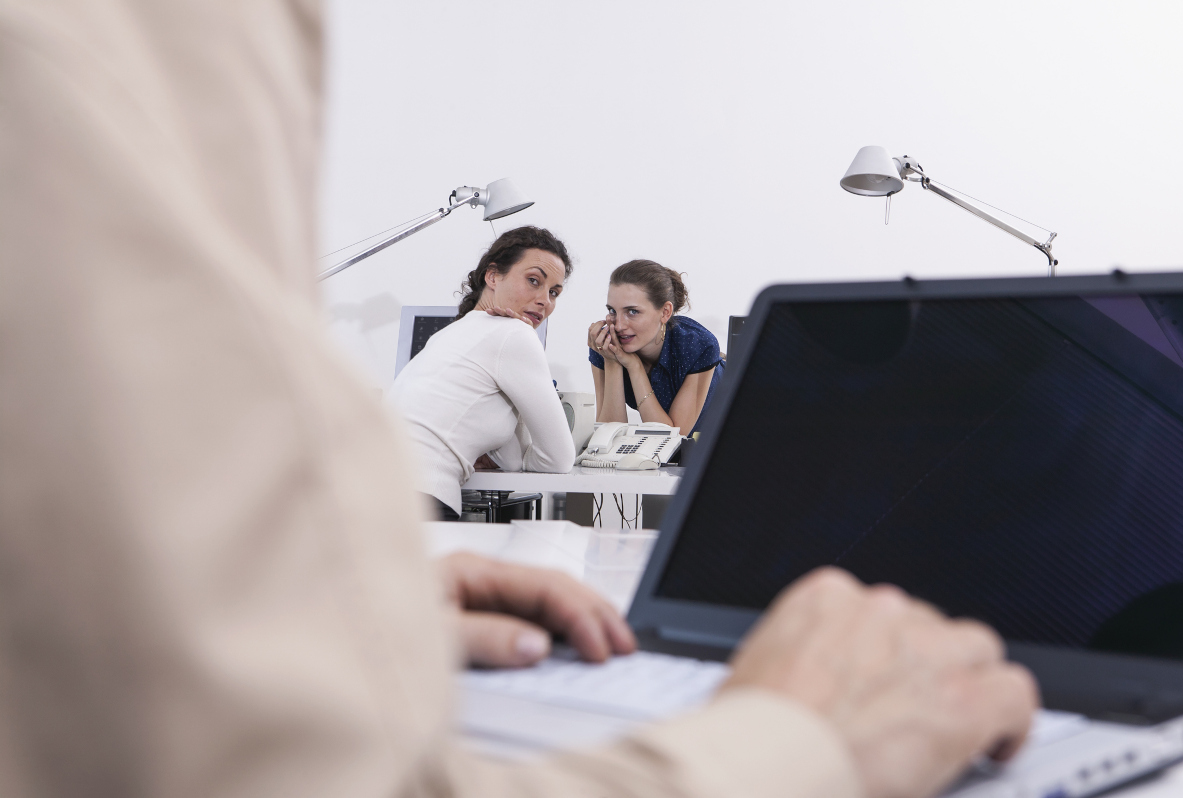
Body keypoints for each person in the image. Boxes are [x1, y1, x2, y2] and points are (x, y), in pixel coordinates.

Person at [0, 2, 1038, 798]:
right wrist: (790, 745)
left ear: (666, 312)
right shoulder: (507, 340)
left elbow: (661, 435)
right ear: (492, 279)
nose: (564, 305)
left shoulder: (679, 347)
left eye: (577, 294)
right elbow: (563, 456)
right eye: (546, 285)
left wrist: (376, 598)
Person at [388, 226, 576, 520]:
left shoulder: (448, 335)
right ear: (493, 276)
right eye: (533, 281)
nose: (545, 300)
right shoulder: (515, 335)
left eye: (553, 292)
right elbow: (559, 459)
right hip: (417, 498)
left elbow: (510, 460)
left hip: (367, 487)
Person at [589, 260, 724, 436]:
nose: (619, 325)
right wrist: (612, 362)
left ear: (665, 312)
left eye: (632, 311)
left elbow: (673, 438)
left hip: (735, 419)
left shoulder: (696, 345)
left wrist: (635, 367)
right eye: (613, 311)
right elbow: (608, 436)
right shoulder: (606, 343)